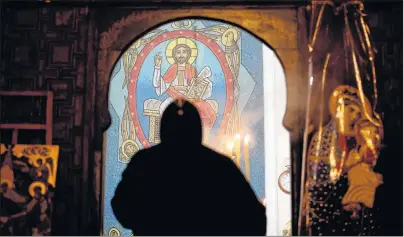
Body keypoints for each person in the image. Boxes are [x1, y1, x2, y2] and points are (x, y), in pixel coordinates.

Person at [111, 100, 266, 236]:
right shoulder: (220, 166)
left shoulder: (144, 163)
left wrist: (149, 222)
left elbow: (121, 207)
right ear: (197, 128)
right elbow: (255, 220)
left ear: (163, 128)